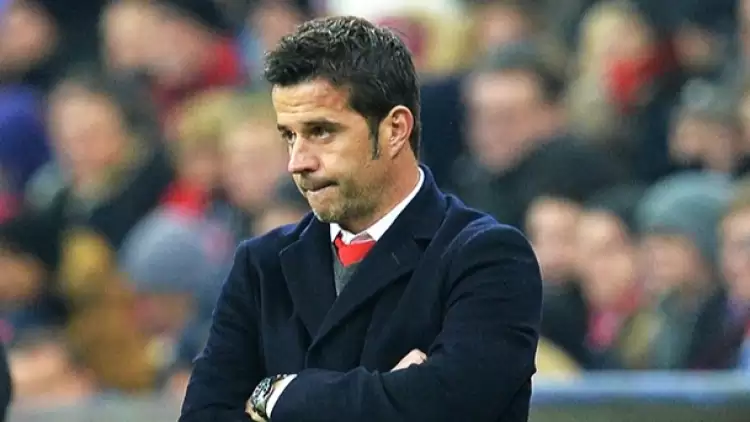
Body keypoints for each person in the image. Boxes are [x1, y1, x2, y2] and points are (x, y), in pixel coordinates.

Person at [179, 16, 542, 422]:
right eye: (289, 136)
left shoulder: (487, 256)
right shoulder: (262, 265)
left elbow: (452, 406)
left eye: (321, 131)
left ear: (395, 129)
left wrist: (278, 393)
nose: (297, 162)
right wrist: (391, 394)